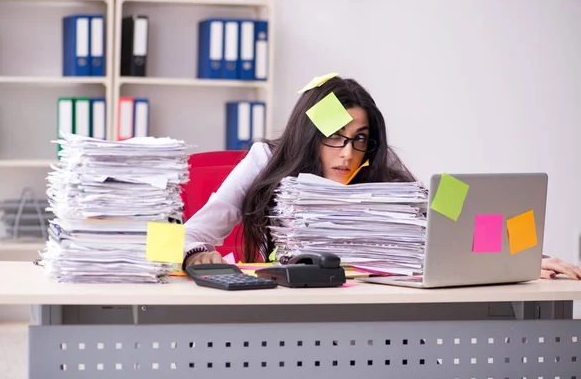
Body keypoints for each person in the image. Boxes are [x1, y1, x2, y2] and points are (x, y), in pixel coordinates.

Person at [182, 75, 581, 281]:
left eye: (360, 140)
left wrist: (527, 257)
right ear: (310, 137)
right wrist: (195, 253)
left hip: (369, 318)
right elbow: (189, 233)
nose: (347, 153)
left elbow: (456, 223)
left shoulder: (378, 170)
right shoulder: (266, 160)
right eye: (335, 138)